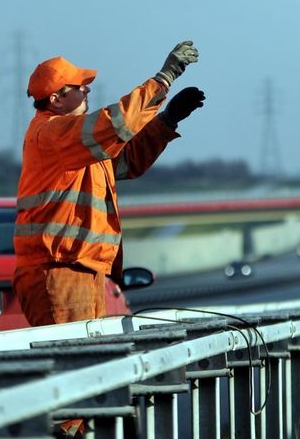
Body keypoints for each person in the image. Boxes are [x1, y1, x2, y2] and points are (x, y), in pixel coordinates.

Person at [13, 40, 205, 325]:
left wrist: (167, 121)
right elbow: (117, 124)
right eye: (79, 86)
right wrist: (164, 78)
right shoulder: (52, 134)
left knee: (89, 350)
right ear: (56, 99)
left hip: (78, 268)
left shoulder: (74, 145)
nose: (87, 90)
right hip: (60, 270)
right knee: (74, 351)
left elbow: (127, 160)